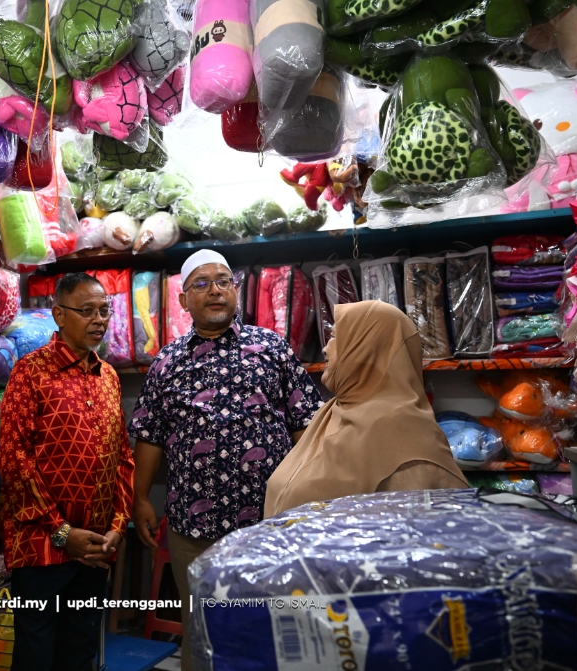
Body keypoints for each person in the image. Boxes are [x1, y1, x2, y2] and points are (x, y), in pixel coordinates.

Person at [129, 249, 323, 671]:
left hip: (269, 524)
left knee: (272, 626)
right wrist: (140, 496)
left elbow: (306, 423)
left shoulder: (270, 347)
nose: (214, 291)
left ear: (235, 291)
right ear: (183, 300)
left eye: (223, 281)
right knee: (202, 628)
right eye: (201, 283)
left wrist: (308, 494)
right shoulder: (166, 362)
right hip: (193, 528)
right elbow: (149, 433)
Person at [0, 272, 135, 671]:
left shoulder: (108, 376)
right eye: (86, 310)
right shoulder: (30, 372)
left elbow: (121, 456)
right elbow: (14, 460)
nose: (98, 319)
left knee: (79, 650)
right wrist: (61, 532)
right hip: (42, 547)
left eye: (104, 311)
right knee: (37, 655)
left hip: (94, 546)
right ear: (58, 314)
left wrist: (116, 524)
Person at [264, 301, 467, 518]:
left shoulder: (402, 432)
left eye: (334, 337)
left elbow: (421, 532)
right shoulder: (333, 412)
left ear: (366, 347)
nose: (324, 348)